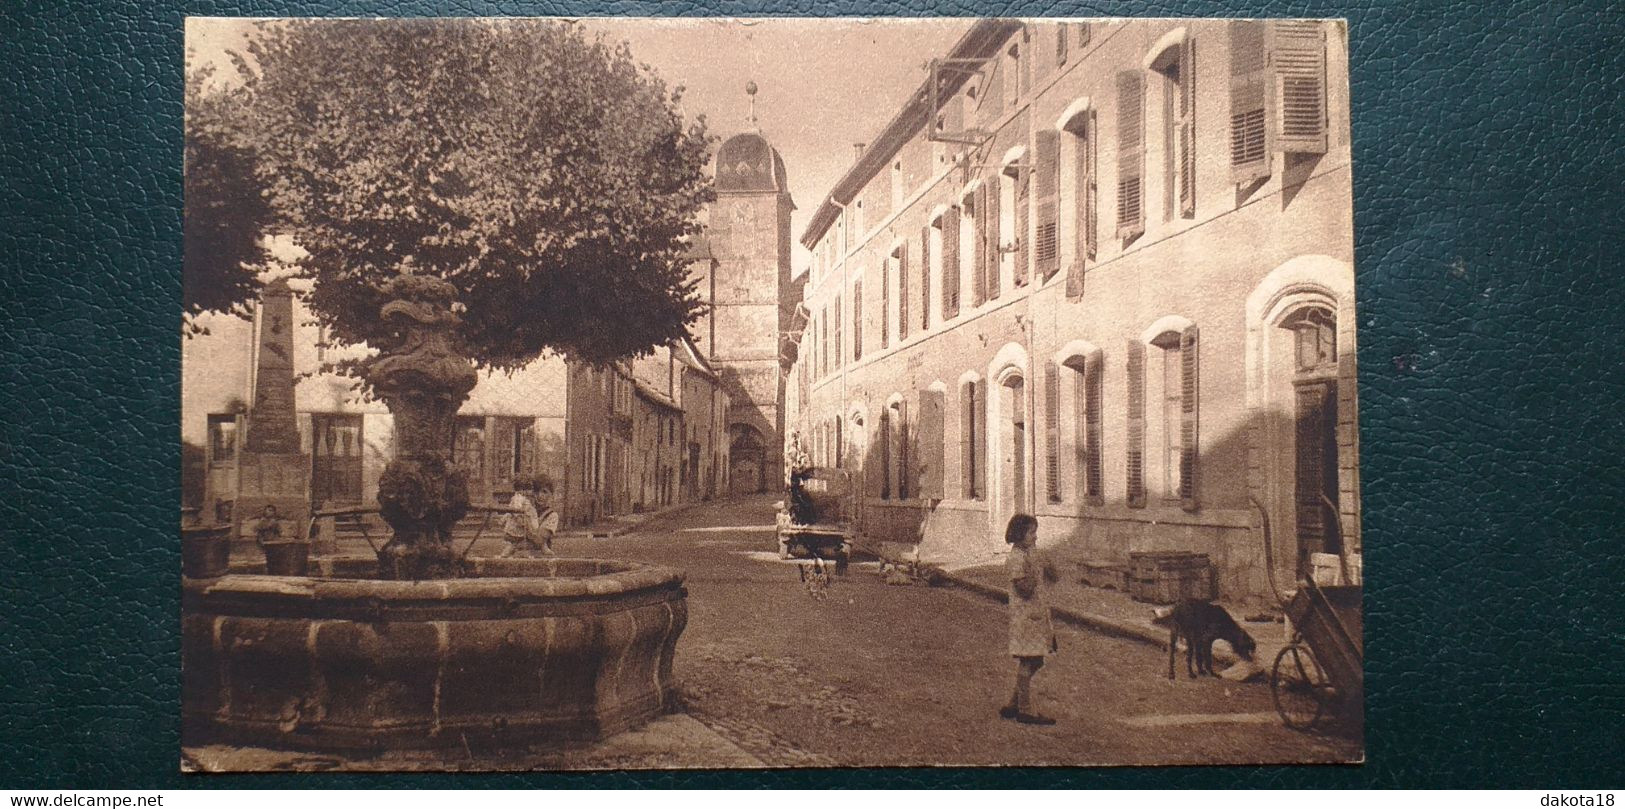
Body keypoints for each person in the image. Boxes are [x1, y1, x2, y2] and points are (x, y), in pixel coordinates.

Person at [1000, 513, 1060, 725]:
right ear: (1019, 534)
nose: (1035, 537)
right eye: (1031, 532)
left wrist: (1048, 564)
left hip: (1036, 616)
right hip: (1025, 619)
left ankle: (1013, 704)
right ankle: (1025, 710)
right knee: (1029, 660)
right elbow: (1024, 590)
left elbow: (1055, 576)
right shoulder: (1016, 558)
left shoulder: (1030, 554)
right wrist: (1036, 569)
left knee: (1036, 659)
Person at [499, 478, 540, 558]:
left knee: (516, 544)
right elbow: (516, 511)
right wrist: (520, 521)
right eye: (528, 490)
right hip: (517, 527)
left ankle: (507, 556)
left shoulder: (522, 498)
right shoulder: (518, 498)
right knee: (520, 542)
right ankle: (506, 556)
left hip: (520, 526)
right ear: (522, 490)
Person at [530, 474, 560, 555]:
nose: (540, 496)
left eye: (544, 492)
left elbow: (538, 541)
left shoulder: (552, 516)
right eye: (537, 491)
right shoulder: (529, 510)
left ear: (551, 494)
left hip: (541, 557)